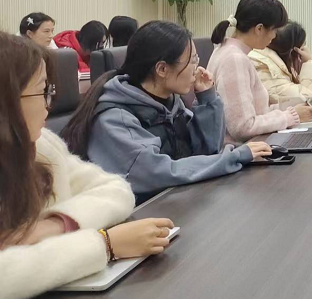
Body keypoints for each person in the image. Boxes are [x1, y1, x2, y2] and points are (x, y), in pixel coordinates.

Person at [0, 32, 175, 299]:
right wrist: (105, 245)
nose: (49, 105)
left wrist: (54, 225)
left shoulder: (42, 144)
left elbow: (116, 188)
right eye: (43, 91)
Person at [60, 21, 273, 204]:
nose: (197, 68)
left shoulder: (170, 103)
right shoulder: (115, 118)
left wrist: (207, 99)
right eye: (192, 61)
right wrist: (236, 156)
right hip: (134, 219)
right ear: (162, 69)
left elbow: (207, 153)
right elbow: (159, 172)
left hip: (173, 204)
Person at [207, 0, 312, 143]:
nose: (275, 36)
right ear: (259, 29)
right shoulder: (235, 59)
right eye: (274, 30)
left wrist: (291, 109)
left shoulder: (227, 50)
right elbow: (243, 127)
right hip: (241, 150)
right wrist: (290, 116)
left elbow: (258, 112)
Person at [249, 21, 312, 106]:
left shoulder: (272, 64)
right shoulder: (265, 68)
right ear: (294, 52)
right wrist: (311, 63)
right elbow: (310, 102)